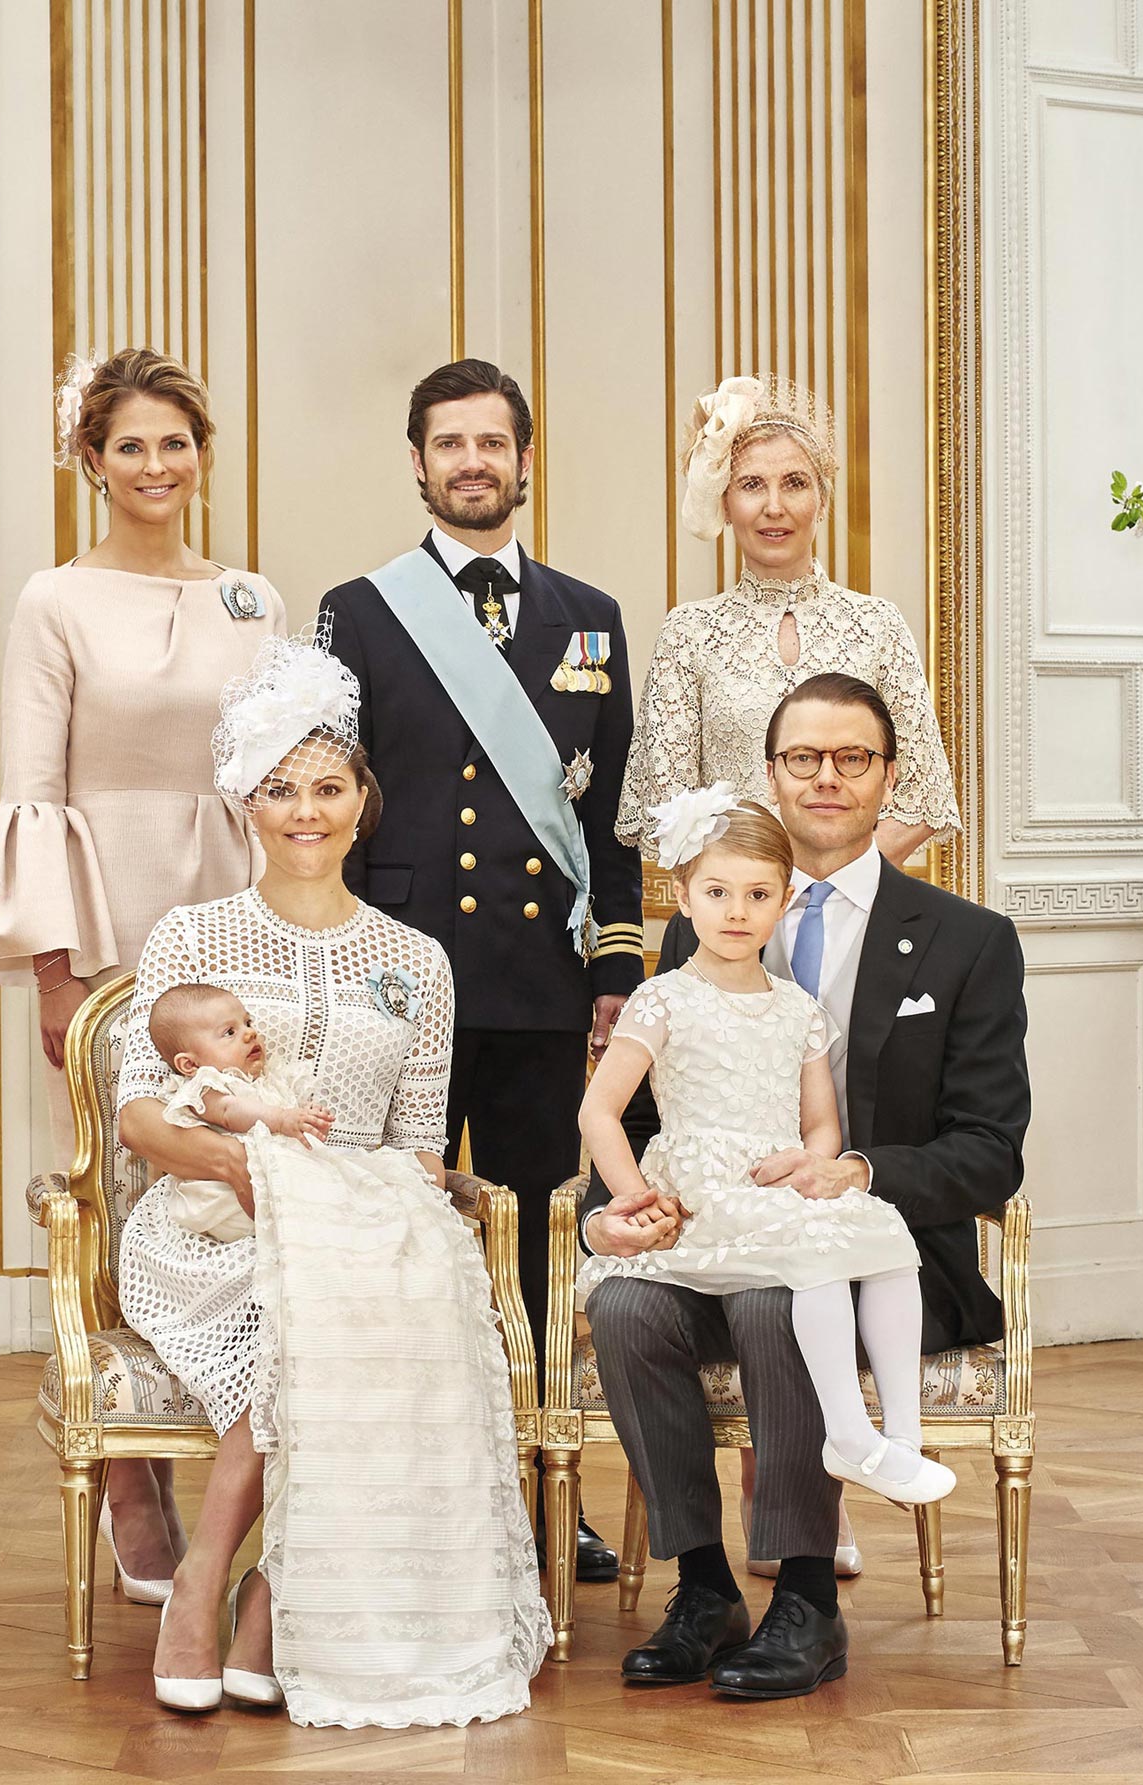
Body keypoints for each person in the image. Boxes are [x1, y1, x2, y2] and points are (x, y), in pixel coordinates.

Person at [116, 629, 550, 1725]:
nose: (304, 811)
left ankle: (274, 1596)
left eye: (326, 787)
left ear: (363, 801)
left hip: (361, 1231)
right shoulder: (191, 936)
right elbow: (139, 1117)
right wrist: (253, 1173)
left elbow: (418, 1144)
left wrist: (361, 1220)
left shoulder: (417, 960)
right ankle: (206, 1585)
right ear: (244, 804)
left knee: (368, 1310)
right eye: (279, 790)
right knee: (302, 1323)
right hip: (208, 1235)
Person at [581, 673, 1029, 1700]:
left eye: (852, 757)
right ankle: (704, 1587)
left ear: (889, 776)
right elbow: (639, 1117)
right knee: (626, 1309)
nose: (827, 777)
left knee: (776, 1297)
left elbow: (989, 1149)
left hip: (880, 1258)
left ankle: (807, 1595)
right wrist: (621, 1214)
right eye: (802, 758)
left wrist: (854, 1169)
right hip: (707, 1236)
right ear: (772, 773)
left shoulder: (969, 940)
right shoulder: (702, 926)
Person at [0, 347, 288, 1601]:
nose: (155, 466)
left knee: (234, 1178)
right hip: (107, 923)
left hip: (235, 913)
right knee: (114, 1183)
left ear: (203, 454)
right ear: (90, 460)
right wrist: (57, 977)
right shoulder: (56, 600)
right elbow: (33, 794)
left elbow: (276, 771)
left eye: (174, 443)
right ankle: (131, 1481)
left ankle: (240, 1446)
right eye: (129, 445)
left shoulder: (252, 598)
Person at [318, 358, 646, 1579]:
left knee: (539, 1248)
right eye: (448, 443)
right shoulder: (359, 611)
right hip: (396, 974)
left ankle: (548, 1491)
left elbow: (612, 816)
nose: (471, 463)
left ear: (524, 460)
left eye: (491, 443)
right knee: (388, 1239)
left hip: (534, 981)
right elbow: (332, 796)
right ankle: (394, 1495)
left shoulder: (590, 616)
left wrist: (614, 966)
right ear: (418, 462)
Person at [578, 789, 956, 1513]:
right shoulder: (661, 998)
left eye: (757, 895)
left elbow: (822, 1125)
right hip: (705, 1189)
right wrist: (632, 1195)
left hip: (777, 1183)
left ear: (784, 901)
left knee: (889, 1240)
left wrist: (815, 1168)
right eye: (717, 892)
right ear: (683, 896)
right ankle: (848, 1434)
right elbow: (599, 1111)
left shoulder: (798, 1009)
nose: (736, 911)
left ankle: (901, 1440)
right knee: (815, 1256)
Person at [615, 375, 961, 868]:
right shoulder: (687, 633)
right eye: (752, 485)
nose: (774, 507)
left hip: (857, 905)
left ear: (822, 501)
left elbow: (923, 795)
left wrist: (830, 888)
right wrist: (760, 893)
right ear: (725, 503)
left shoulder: (878, 625)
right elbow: (670, 809)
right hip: (733, 906)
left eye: (795, 483)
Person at [147, 984, 336, 1243]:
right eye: (229, 1032)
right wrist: (283, 1119)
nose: (250, 1033)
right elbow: (229, 1111)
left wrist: (307, 1120)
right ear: (190, 1064)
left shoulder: (267, 1079)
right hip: (225, 1197)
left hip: (276, 1178)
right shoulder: (206, 1087)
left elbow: (287, 1121)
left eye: (247, 1023)